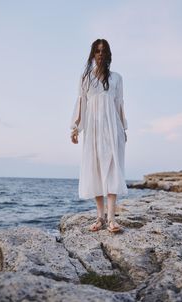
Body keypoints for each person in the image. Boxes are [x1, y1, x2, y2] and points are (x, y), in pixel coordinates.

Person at [70, 39, 128, 233]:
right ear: (93, 54)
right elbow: (81, 104)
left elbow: (119, 104)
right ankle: (100, 218)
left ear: (108, 54)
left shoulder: (117, 78)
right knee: (95, 168)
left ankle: (111, 218)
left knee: (112, 168)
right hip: (93, 129)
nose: (100, 54)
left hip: (113, 129)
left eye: (103, 51)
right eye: (97, 51)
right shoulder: (85, 78)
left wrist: (123, 129)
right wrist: (76, 128)